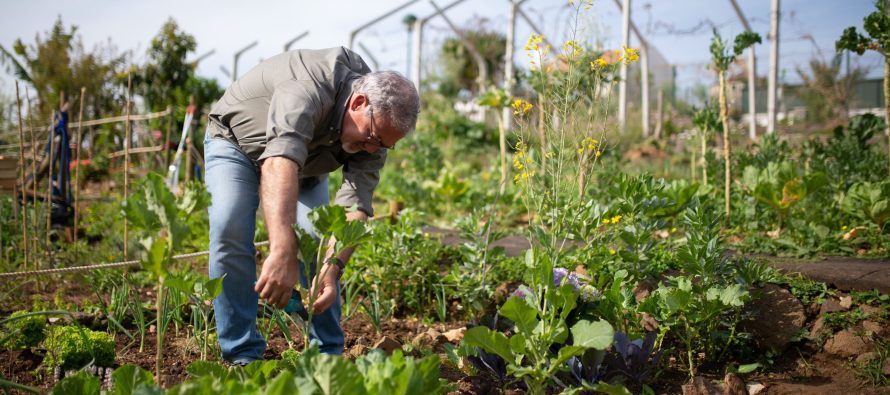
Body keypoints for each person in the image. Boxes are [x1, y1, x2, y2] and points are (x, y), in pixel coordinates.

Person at [203, 47, 419, 364]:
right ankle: (242, 354)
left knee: (317, 241)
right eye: (372, 136)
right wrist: (281, 250)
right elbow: (279, 163)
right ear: (358, 103)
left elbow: (355, 207)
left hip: (306, 165)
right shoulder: (307, 87)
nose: (373, 148)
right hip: (237, 144)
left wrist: (332, 272)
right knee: (230, 225)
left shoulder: (375, 134)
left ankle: (327, 355)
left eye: (383, 144)